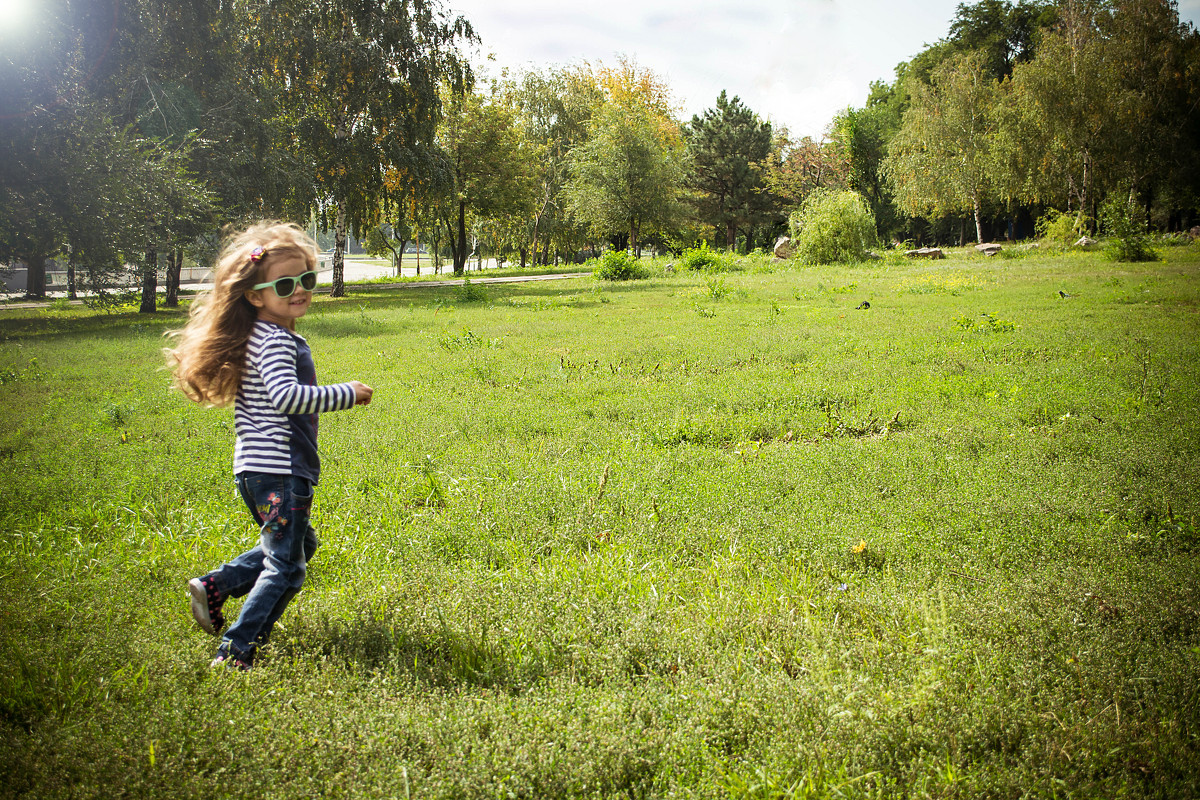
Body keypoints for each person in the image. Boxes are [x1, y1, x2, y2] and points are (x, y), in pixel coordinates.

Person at [165, 221, 373, 670]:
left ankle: (218, 585)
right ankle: (237, 649)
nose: (299, 290)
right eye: (285, 284)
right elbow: (286, 397)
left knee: (301, 544)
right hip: (280, 470)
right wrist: (347, 392)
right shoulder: (276, 340)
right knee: (287, 568)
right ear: (256, 295)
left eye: (306, 280)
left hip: (256, 469)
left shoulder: (258, 334)